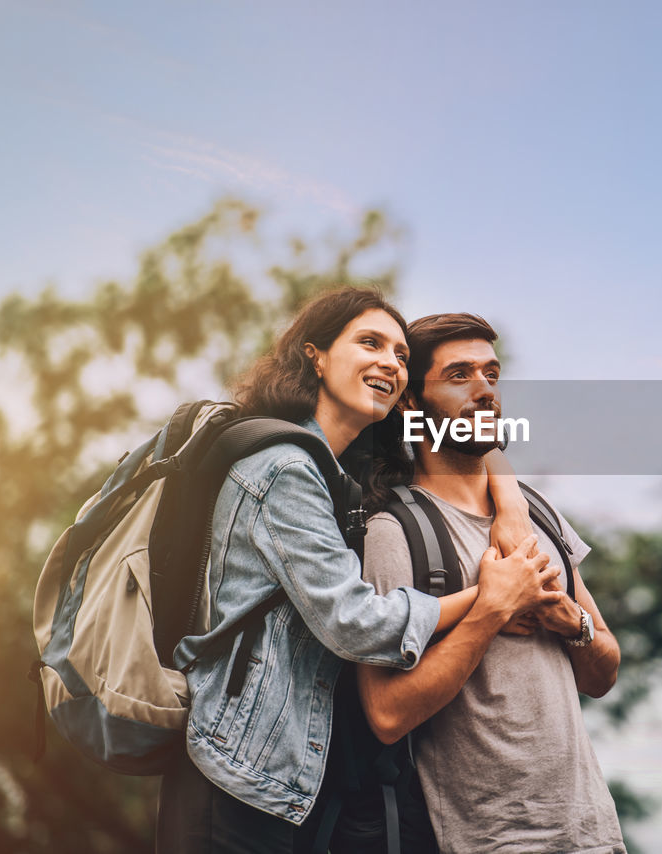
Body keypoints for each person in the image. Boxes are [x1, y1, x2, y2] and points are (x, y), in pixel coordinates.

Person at [155, 288, 558, 854]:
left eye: (399, 355)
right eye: (369, 343)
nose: (389, 363)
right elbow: (355, 623)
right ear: (315, 355)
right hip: (236, 774)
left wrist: (510, 498)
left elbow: (471, 431)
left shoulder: (340, 471)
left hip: (286, 779)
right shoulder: (284, 469)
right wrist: (491, 599)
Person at [357, 312, 625, 854]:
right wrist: (493, 610)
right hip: (486, 840)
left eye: (492, 375)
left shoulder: (536, 514)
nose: (485, 391)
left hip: (593, 832)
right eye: (459, 376)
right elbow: (385, 715)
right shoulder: (394, 533)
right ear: (411, 404)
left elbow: (605, 671)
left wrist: (568, 623)